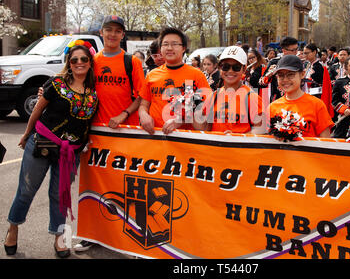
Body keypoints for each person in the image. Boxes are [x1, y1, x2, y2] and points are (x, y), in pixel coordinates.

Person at [4, 43, 98, 258]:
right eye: (74, 60)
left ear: (90, 63)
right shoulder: (56, 84)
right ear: (69, 63)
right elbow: (38, 109)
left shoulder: (95, 90)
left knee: (60, 195)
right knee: (27, 190)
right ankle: (14, 227)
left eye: (83, 59)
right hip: (42, 144)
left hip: (71, 152)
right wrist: (27, 134)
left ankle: (58, 236)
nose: (79, 63)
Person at [74, 15, 146, 253]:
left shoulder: (131, 62)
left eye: (117, 31)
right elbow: (77, 87)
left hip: (125, 134)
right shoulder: (92, 61)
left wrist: (124, 115)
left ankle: (130, 235)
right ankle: (91, 234)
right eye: (108, 30)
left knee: (126, 185)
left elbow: (141, 97)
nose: (113, 34)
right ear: (101, 33)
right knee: (93, 184)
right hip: (96, 133)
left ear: (123, 35)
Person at [138, 27, 210, 135]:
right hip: (154, 138)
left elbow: (204, 113)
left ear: (183, 48)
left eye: (175, 44)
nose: (169, 48)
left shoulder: (196, 75)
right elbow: (143, 105)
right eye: (165, 44)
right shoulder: (152, 75)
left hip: (184, 141)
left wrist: (180, 121)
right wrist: (143, 115)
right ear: (160, 48)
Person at [196, 46, 263, 134]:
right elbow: (205, 127)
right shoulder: (214, 96)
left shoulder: (252, 98)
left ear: (244, 69)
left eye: (236, 67)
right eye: (226, 67)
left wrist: (236, 138)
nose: (230, 71)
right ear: (220, 68)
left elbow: (261, 129)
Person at [268, 55, 334, 138]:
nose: (285, 79)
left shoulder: (317, 105)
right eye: (281, 75)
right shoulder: (272, 107)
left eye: (290, 75)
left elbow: (326, 142)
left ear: (302, 74)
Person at [258, 36, 299, 103]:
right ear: (284, 50)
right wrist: (269, 75)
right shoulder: (274, 62)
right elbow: (261, 82)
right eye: (293, 50)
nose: (296, 52)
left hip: (295, 99)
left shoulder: (299, 62)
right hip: (278, 99)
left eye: (297, 49)